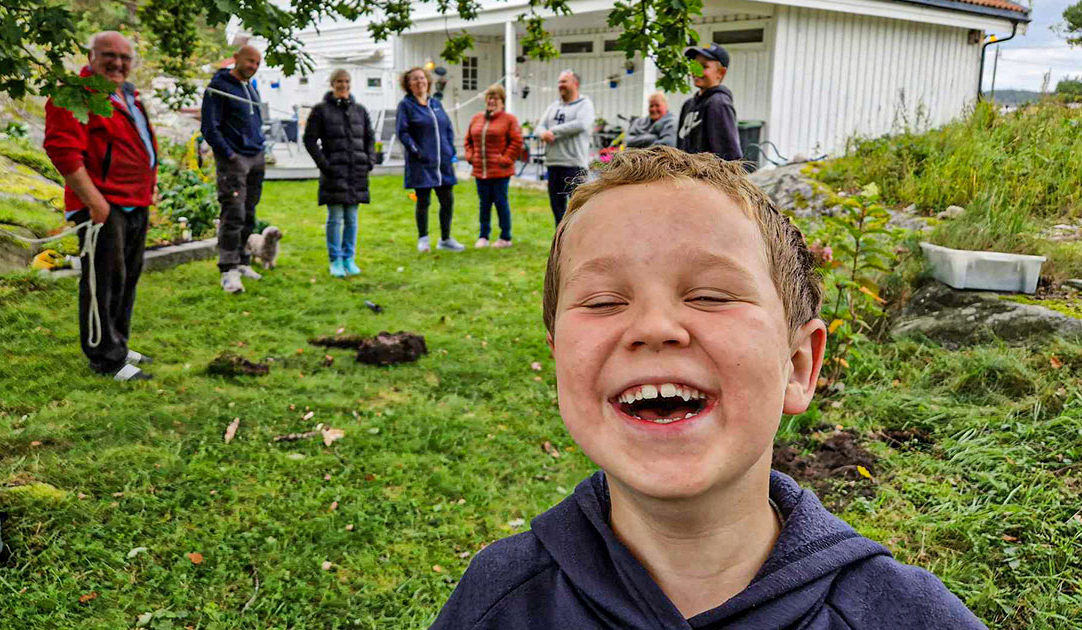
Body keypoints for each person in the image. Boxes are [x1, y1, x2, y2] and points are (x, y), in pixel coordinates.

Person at [429, 147, 987, 629]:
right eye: (603, 302)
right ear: (559, 362)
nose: (653, 328)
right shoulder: (494, 603)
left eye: (711, 295)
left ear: (797, 367)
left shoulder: (907, 616)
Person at [43, 31, 157, 382]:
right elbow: (62, 150)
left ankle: (118, 343)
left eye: (125, 58)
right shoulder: (74, 95)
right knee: (103, 282)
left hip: (133, 201)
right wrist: (94, 200)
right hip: (103, 205)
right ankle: (106, 359)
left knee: (126, 279)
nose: (118, 63)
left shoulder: (127, 95)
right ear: (90, 57)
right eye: (109, 55)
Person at [201, 45, 267, 293]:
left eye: (257, 63)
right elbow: (209, 126)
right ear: (236, 58)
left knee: (249, 212)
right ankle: (227, 269)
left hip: (255, 156)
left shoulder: (249, 87)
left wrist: (260, 146)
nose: (253, 66)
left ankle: (242, 261)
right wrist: (229, 153)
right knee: (234, 212)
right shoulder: (219, 86)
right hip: (234, 159)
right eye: (250, 61)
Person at [303, 69, 375, 277]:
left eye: (347, 81)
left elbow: (369, 138)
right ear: (332, 84)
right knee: (335, 217)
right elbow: (310, 140)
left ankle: (348, 258)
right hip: (334, 171)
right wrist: (325, 165)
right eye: (339, 81)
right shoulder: (321, 110)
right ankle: (335, 260)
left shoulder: (360, 110)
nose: (343, 85)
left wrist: (369, 161)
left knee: (352, 217)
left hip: (357, 172)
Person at [396, 67, 465, 252]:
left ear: (428, 80)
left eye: (422, 78)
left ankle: (446, 239)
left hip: (442, 162)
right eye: (415, 79)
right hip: (422, 162)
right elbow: (402, 132)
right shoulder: (406, 106)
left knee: (447, 200)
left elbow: (447, 127)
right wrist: (416, 150)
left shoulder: (435, 103)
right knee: (423, 201)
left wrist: (450, 150)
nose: (420, 82)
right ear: (408, 85)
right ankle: (423, 239)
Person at [463, 85, 522, 248]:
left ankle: (505, 237)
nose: (491, 101)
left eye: (495, 98)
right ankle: (483, 236)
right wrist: (470, 156)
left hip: (500, 172)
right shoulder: (476, 118)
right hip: (480, 171)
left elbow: (517, 142)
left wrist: (505, 159)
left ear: (502, 101)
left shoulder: (509, 120)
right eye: (489, 97)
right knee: (484, 204)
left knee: (501, 203)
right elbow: (468, 141)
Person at [534, 70, 594, 225]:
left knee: (579, 209)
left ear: (575, 84)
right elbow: (539, 127)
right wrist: (543, 133)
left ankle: (579, 244)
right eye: (559, 82)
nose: (560, 85)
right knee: (557, 208)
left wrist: (553, 132)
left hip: (574, 164)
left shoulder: (585, 104)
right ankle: (560, 244)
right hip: (553, 164)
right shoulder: (553, 106)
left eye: (564, 81)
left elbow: (581, 124)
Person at [677, 43, 744, 161]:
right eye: (695, 65)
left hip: (706, 178)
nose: (696, 71)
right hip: (686, 177)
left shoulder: (718, 104)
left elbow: (729, 156)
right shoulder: (688, 105)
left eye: (704, 66)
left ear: (721, 73)